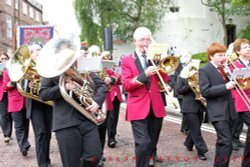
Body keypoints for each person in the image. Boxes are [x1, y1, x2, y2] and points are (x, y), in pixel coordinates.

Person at [39, 53, 108, 167]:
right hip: (66, 122)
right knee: (71, 163)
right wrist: (63, 87)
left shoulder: (82, 67)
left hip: (87, 119)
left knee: (95, 155)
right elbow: (44, 94)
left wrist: (96, 101)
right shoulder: (52, 70)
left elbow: (101, 85)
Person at [121, 27, 168, 167]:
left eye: (148, 39)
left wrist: (160, 63)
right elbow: (126, 85)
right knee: (143, 143)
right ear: (135, 41)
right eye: (142, 39)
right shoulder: (127, 60)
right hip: (137, 106)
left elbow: (163, 80)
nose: (145, 43)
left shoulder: (154, 58)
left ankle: (148, 160)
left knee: (151, 144)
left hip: (155, 106)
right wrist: (144, 75)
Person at [199, 42, 237, 167]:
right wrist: (225, 86)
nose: (223, 58)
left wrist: (230, 76)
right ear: (211, 56)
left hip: (230, 111)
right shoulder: (205, 70)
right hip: (217, 111)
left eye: (224, 55)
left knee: (223, 142)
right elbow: (205, 91)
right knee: (227, 142)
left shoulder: (224, 68)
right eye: (220, 55)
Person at [26, 44, 53, 167]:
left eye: (39, 51)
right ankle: (42, 164)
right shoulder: (26, 67)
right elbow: (21, 84)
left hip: (48, 103)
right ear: (31, 54)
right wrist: (29, 86)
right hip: (35, 104)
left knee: (47, 133)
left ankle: (46, 160)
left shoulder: (48, 66)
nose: (38, 53)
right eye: (36, 51)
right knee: (40, 132)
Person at [176, 61, 208, 160]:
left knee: (196, 127)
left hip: (199, 105)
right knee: (196, 129)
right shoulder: (182, 76)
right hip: (188, 107)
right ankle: (202, 151)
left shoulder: (200, 75)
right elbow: (179, 90)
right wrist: (189, 85)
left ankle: (188, 143)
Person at [229, 38, 250, 167]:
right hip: (242, 100)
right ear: (238, 51)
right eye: (245, 47)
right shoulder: (233, 65)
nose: (248, 49)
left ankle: (247, 162)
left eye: (249, 46)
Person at [3, 67, 30, 156]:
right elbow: (5, 87)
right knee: (19, 126)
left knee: (26, 125)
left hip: (26, 101)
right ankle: (23, 146)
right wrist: (14, 81)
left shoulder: (26, 70)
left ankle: (24, 142)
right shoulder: (7, 72)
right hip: (14, 102)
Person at [173, 52, 192, 134]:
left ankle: (185, 127)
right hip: (180, 93)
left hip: (187, 91)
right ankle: (186, 128)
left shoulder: (191, 66)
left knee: (186, 111)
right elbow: (177, 78)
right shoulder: (179, 67)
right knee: (184, 111)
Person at [0, 52, 12, 143]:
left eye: (5, 58)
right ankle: (6, 134)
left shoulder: (11, 67)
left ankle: (9, 132)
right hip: (2, 93)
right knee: (3, 114)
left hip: (11, 92)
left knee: (10, 114)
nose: (4, 60)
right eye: (2, 59)